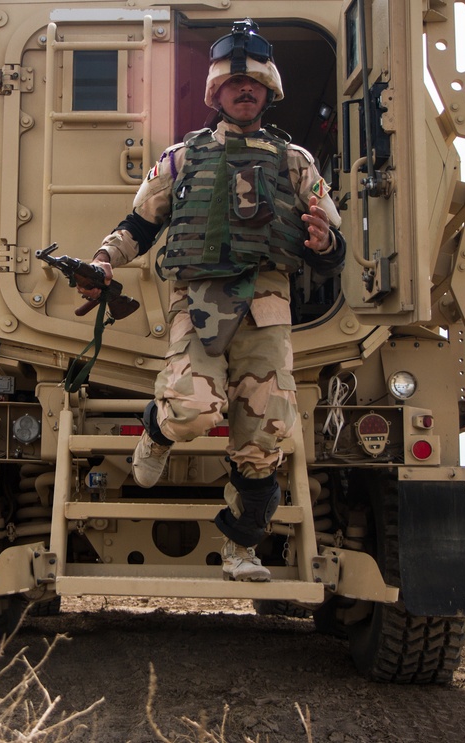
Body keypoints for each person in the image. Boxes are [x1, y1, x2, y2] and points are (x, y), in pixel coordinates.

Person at [82, 20, 345, 581]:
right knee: (192, 409)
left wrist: (327, 243)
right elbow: (139, 223)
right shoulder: (180, 159)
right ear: (216, 93)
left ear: (269, 91)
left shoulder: (295, 161)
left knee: (266, 436)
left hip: (267, 305)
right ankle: (157, 430)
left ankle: (242, 548)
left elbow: (330, 242)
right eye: (233, 83)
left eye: (254, 83)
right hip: (198, 302)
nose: (244, 90)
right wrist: (104, 260)